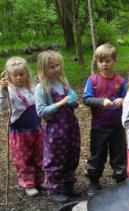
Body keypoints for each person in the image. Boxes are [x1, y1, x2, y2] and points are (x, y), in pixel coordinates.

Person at [34, 50, 81, 202]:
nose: (56, 69)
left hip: (71, 126)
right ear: (43, 69)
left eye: (58, 65)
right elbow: (41, 111)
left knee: (72, 155)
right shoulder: (41, 88)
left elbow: (74, 101)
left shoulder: (63, 82)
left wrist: (74, 102)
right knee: (55, 158)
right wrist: (60, 103)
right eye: (52, 67)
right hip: (56, 129)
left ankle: (68, 185)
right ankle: (54, 189)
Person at [83, 43, 127, 195]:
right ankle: (94, 181)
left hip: (117, 125)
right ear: (96, 62)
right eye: (100, 61)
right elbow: (87, 99)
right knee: (97, 153)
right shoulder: (93, 81)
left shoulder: (120, 81)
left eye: (107, 61)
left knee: (119, 153)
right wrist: (101, 102)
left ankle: (121, 179)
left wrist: (123, 100)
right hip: (99, 126)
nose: (104, 64)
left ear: (114, 61)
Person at [0, 57, 44, 197]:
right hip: (19, 132)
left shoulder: (33, 87)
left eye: (22, 74)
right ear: (9, 76)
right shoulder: (9, 91)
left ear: (27, 73)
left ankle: (41, 179)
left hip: (36, 128)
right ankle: (28, 183)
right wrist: (2, 91)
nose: (19, 78)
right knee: (23, 159)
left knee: (39, 155)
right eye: (15, 75)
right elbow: (2, 107)